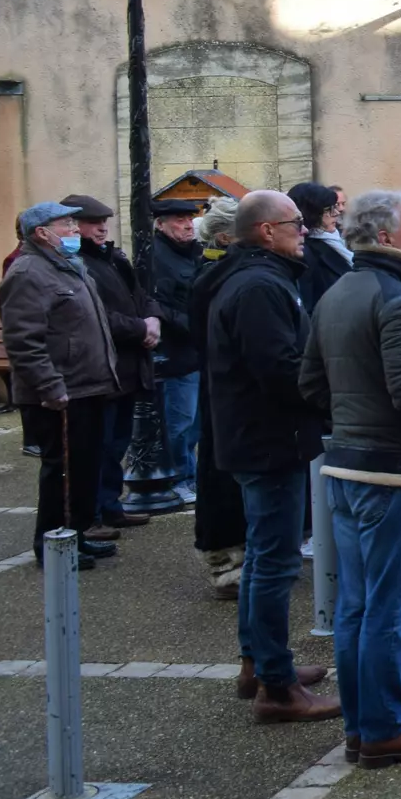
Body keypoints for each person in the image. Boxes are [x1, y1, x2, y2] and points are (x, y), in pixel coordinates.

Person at [300, 189, 401, 770]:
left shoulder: (336, 292)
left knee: (357, 606)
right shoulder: (396, 298)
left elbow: (311, 384)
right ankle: (385, 727)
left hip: (347, 465)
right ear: (387, 236)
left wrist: (352, 421)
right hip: (392, 473)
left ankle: (363, 722)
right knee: (389, 609)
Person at [205, 190, 336, 720]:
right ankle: (276, 686)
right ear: (265, 231)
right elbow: (280, 369)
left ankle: (259, 663)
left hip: (261, 435)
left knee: (264, 558)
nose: (303, 232)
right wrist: (329, 396)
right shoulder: (258, 285)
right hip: (267, 439)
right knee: (274, 562)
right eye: (295, 225)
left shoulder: (258, 278)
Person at [0, 202, 121, 570]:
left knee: (84, 470)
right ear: (41, 233)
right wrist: (50, 386)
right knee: (63, 473)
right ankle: (53, 545)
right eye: (65, 224)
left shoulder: (67, 267)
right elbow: (23, 341)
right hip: (60, 393)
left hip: (88, 386)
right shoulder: (27, 273)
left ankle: (77, 534)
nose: (72, 230)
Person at [63, 194, 161, 535]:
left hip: (129, 367)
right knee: (99, 444)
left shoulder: (114, 258)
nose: (102, 228)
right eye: (94, 223)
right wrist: (140, 328)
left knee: (117, 443)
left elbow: (141, 296)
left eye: (104, 222)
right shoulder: (78, 264)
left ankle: (110, 504)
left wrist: (152, 320)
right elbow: (98, 317)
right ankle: (93, 512)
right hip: (104, 368)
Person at [189, 198, 248, 598]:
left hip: (224, 393)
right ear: (227, 237)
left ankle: (234, 558)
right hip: (226, 395)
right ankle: (227, 563)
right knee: (221, 478)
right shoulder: (217, 277)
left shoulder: (219, 274)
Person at [151, 199, 206, 505]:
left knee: (194, 423)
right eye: (179, 220)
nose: (187, 225)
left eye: (189, 219)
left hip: (195, 352)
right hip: (175, 354)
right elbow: (162, 307)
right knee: (179, 422)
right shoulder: (157, 258)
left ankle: (189, 475)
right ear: (161, 224)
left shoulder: (194, 253)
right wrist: (194, 325)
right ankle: (178, 477)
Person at [290, 182, 352, 315]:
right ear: (312, 213)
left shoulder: (338, 239)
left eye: (335, 207)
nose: (336, 213)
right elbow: (307, 307)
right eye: (328, 210)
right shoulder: (304, 252)